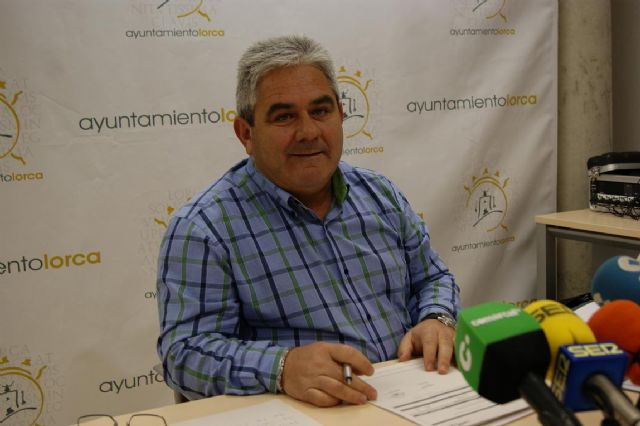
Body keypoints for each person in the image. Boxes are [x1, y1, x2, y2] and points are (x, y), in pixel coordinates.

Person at [156, 34, 461, 407]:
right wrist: (282, 367)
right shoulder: (204, 229)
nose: (309, 132)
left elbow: (432, 278)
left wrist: (437, 318)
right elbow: (184, 354)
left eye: (320, 111)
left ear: (341, 115)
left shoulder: (380, 193)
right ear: (246, 133)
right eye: (284, 116)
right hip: (309, 413)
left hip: (414, 397)